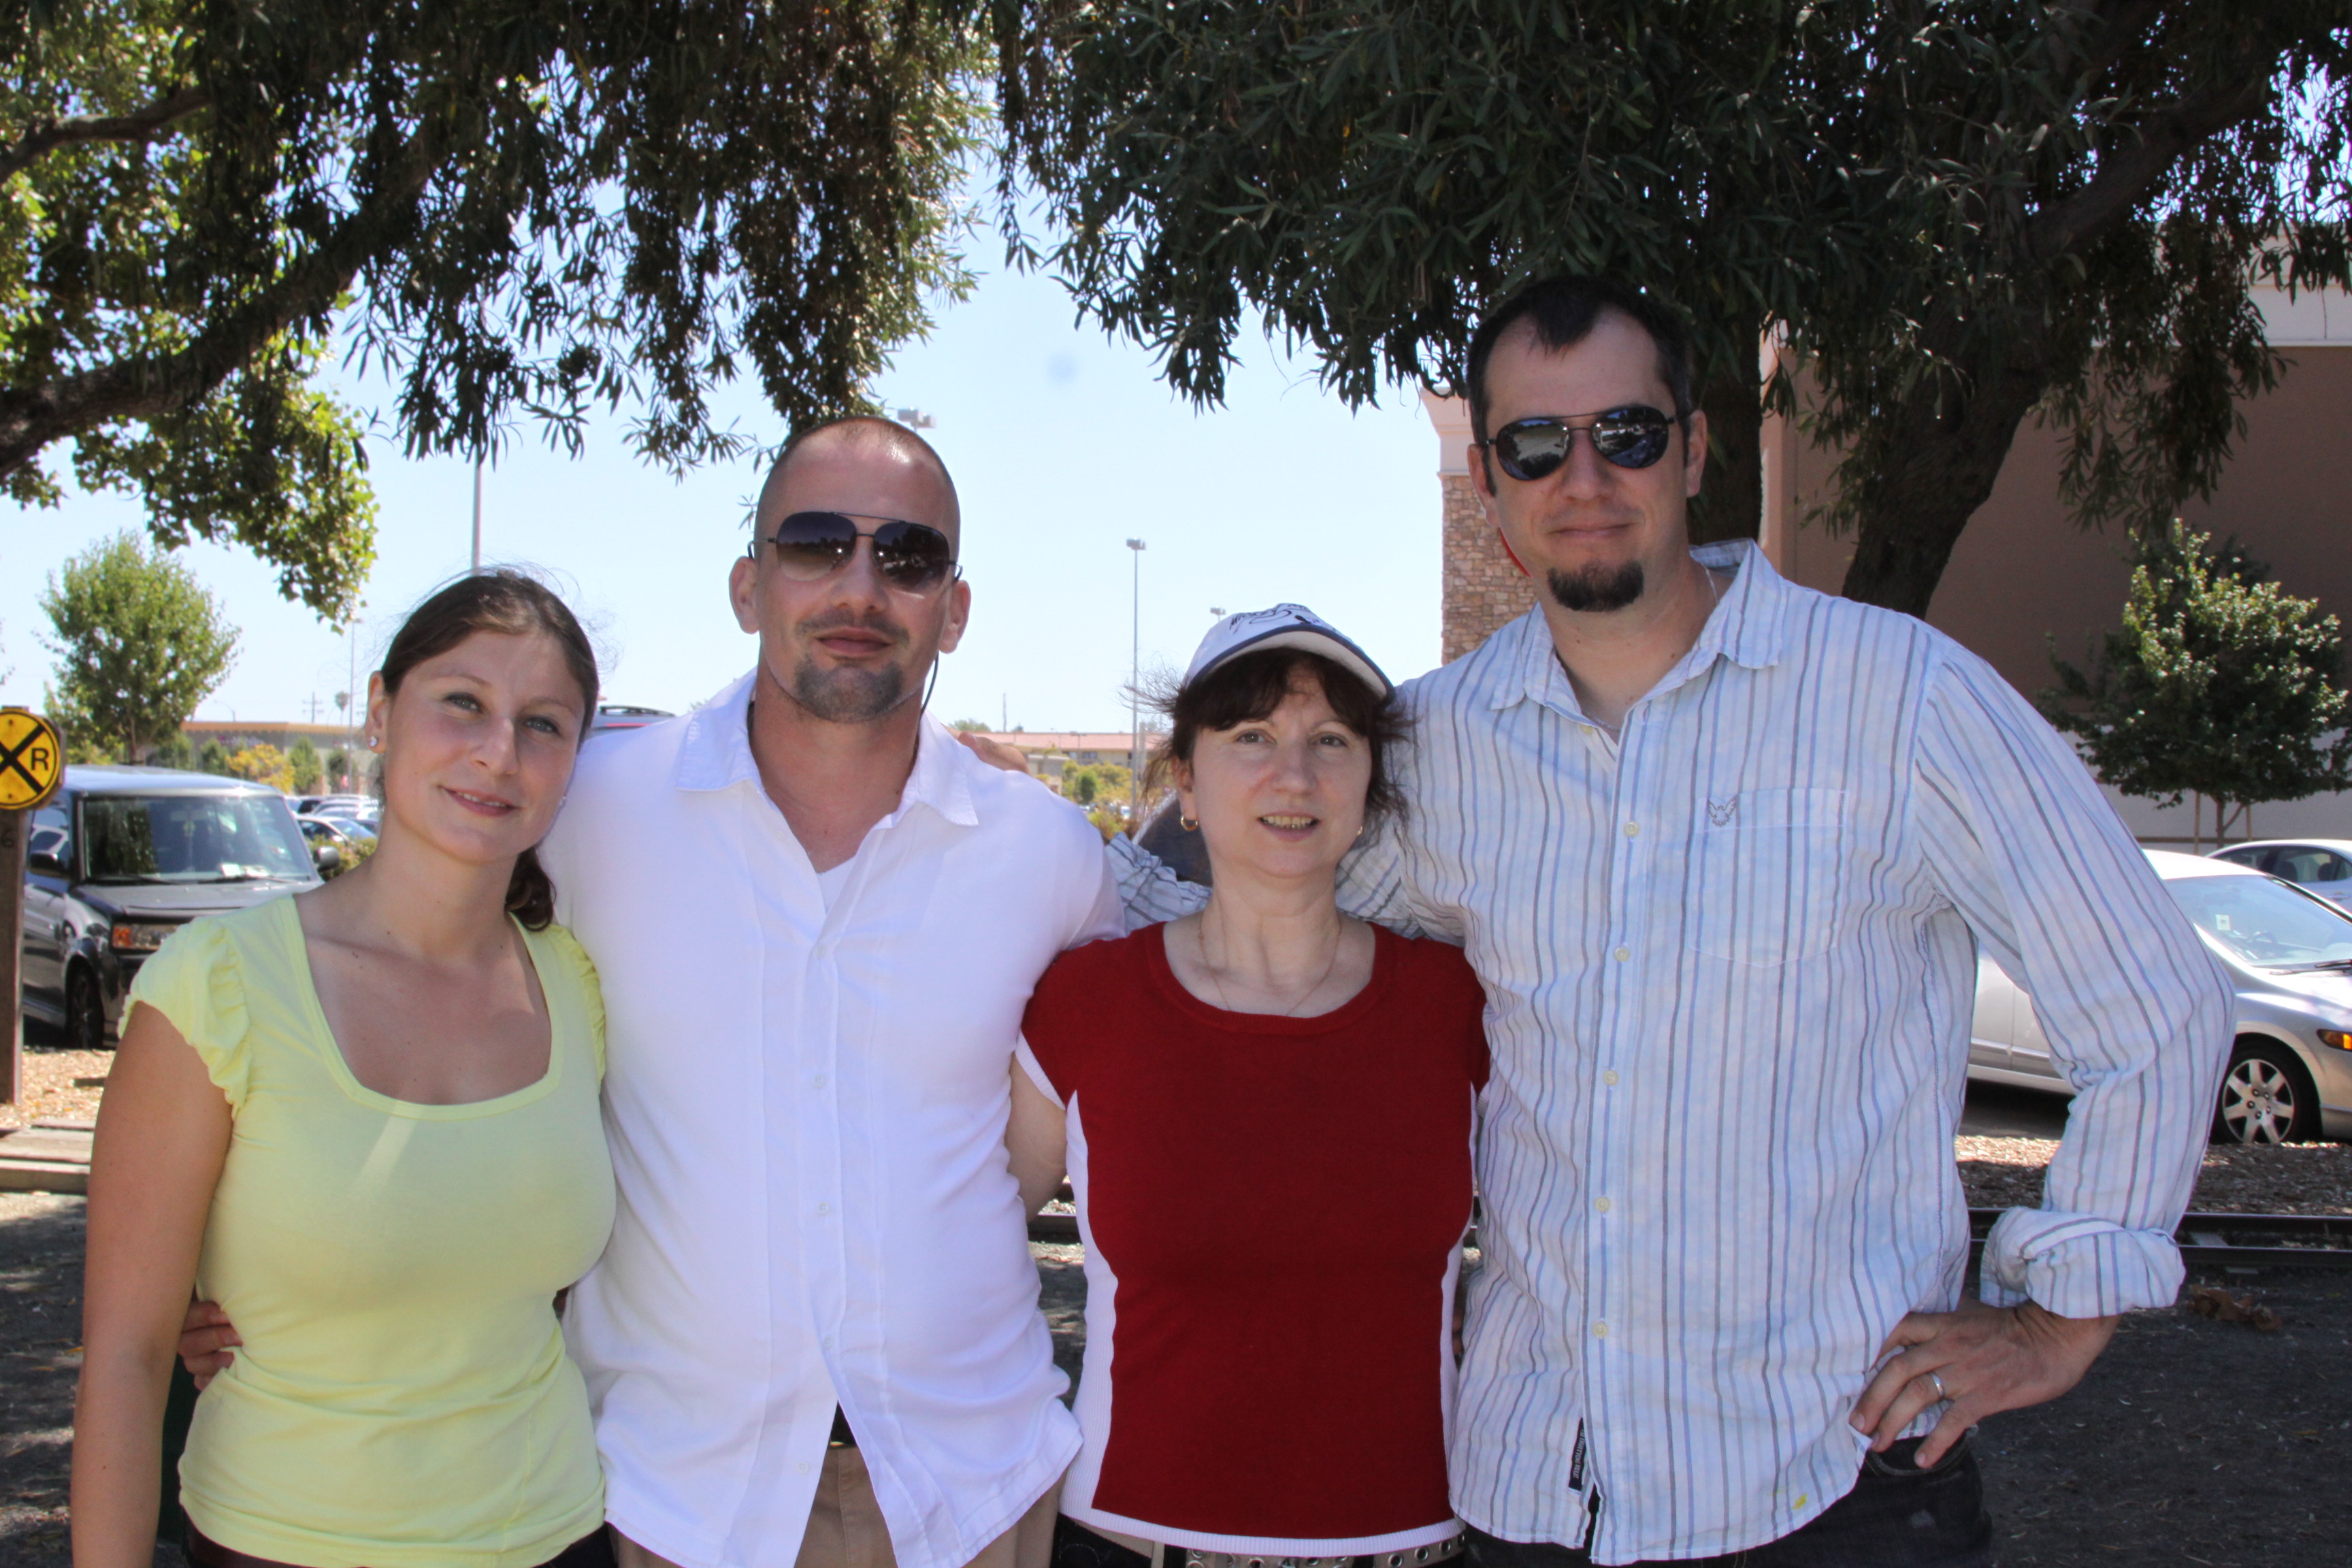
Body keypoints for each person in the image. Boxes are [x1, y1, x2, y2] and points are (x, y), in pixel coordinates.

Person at [1109, 277, 2234, 1567]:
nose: (1583, 476)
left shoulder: (1900, 698)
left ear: (1694, 447)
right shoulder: (1441, 746)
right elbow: (1241, 908)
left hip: (1834, 1481)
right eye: (1538, 444)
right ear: (1489, 477)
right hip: (1535, 1487)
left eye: (1626, 433)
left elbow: (2155, 1003)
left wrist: (2059, 1319)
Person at [535, 416, 1116, 1568]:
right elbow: (416, 991)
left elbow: (1103, 1094)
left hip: (968, 1490)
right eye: (816, 545)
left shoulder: (1048, 855)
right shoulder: (589, 811)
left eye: (907, 557)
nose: (861, 586)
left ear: (953, 609)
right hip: (673, 1496)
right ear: (749, 586)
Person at [76, 572, 617, 1568]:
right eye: (463, 702)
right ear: (380, 712)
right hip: (281, 1540)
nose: (499, 752)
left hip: (557, 1533)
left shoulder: (577, 986)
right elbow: (125, 1356)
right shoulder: (219, 987)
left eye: (542, 724)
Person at [1008, 608, 1489, 1568]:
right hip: (1136, 1544)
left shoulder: (1459, 1006)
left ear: (1370, 785)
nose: (1294, 776)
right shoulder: (1085, 1004)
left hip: (1411, 1546)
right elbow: (963, 1253)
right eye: (1251, 738)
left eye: (1331, 741)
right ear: (1185, 778)